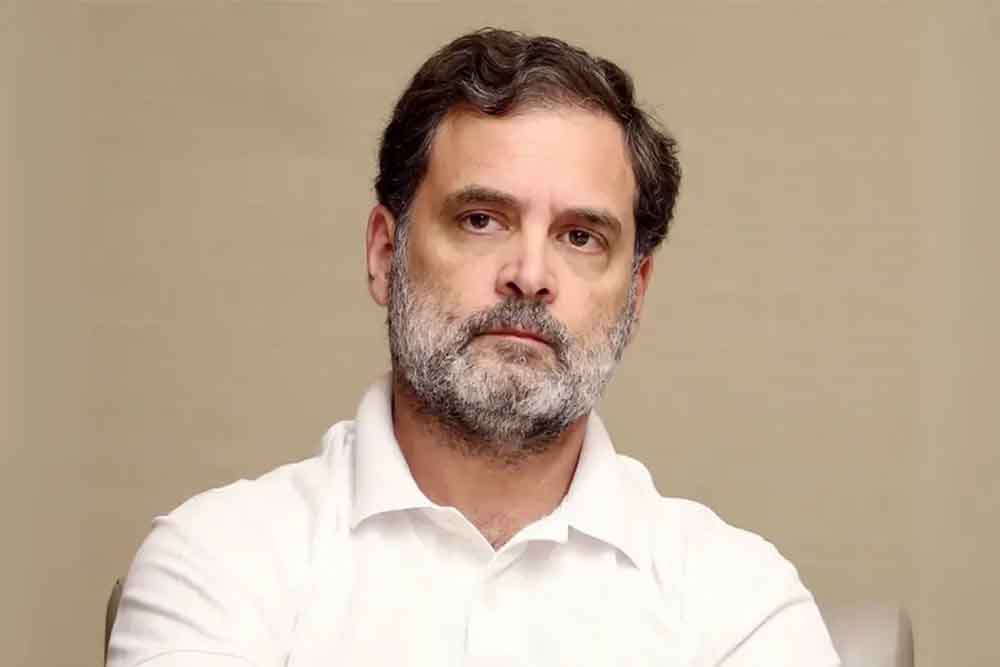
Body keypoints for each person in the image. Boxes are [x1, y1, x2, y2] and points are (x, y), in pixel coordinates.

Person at [108, 28, 840, 667]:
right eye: (482, 219)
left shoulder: (741, 602)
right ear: (385, 252)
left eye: (580, 236)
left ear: (636, 293)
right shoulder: (218, 562)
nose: (530, 274)